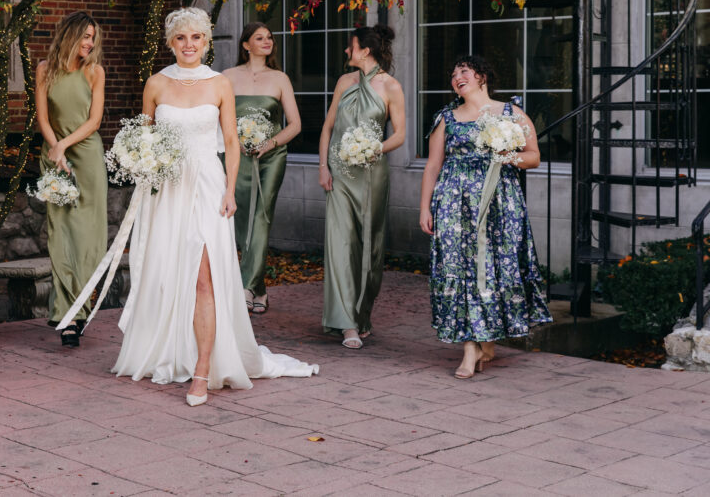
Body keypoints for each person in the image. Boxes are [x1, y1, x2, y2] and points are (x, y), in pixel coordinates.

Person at [113, 7, 318, 406]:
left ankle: (203, 370)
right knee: (172, 274)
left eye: (197, 38)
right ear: (170, 43)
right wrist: (141, 164)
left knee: (205, 277)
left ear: (206, 42)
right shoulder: (155, 84)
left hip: (208, 185)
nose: (189, 45)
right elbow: (144, 140)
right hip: (169, 190)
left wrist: (229, 191)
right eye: (181, 38)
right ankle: (173, 352)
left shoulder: (220, 83)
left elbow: (231, 141)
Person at [419, 56, 552, 378]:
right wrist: (425, 207)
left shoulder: (510, 113)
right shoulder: (446, 117)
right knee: (460, 267)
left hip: (498, 203)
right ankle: (470, 347)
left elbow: (533, 157)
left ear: (481, 76)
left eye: (463, 71)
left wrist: (505, 155)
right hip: (453, 203)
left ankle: (487, 336)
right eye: (453, 74)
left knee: (491, 268)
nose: (456, 77)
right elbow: (433, 165)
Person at [319, 25, 406, 350]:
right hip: (340, 175)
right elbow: (327, 128)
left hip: (371, 173)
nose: (346, 51)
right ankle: (346, 324)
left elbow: (398, 134)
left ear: (365, 50)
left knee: (369, 245)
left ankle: (362, 313)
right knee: (340, 244)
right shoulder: (344, 82)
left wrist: (373, 148)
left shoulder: (391, 86)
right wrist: (323, 166)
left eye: (350, 46)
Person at [35, 12, 108, 348]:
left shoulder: (95, 72)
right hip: (54, 157)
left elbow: (94, 122)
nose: (89, 43)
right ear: (69, 35)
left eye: (93, 37)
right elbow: (43, 118)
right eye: (84, 36)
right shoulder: (44, 70)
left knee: (87, 238)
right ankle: (66, 316)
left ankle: (82, 307)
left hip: (87, 157)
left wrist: (65, 144)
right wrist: (55, 147)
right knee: (60, 234)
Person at [222, 22, 301, 314]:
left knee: (261, 218)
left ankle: (244, 287)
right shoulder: (227, 77)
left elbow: (295, 124)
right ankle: (259, 289)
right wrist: (234, 141)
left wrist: (270, 144)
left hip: (270, 157)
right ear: (246, 45)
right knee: (242, 222)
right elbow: (217, 116)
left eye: (269, 37)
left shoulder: (280, 78)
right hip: (236, 156)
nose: (267, 41)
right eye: (259, 37)